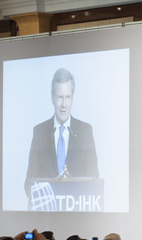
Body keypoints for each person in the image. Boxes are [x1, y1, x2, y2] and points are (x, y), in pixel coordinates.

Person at [24, 68, 99, 201]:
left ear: (72, 98)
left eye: (67, 97)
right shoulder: (39, 133)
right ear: (52, 98)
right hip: (47, 217)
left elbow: (95, 181)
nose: (64, 104)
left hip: (77, 217)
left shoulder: (85, 132)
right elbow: (29, 183)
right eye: (60, 97)